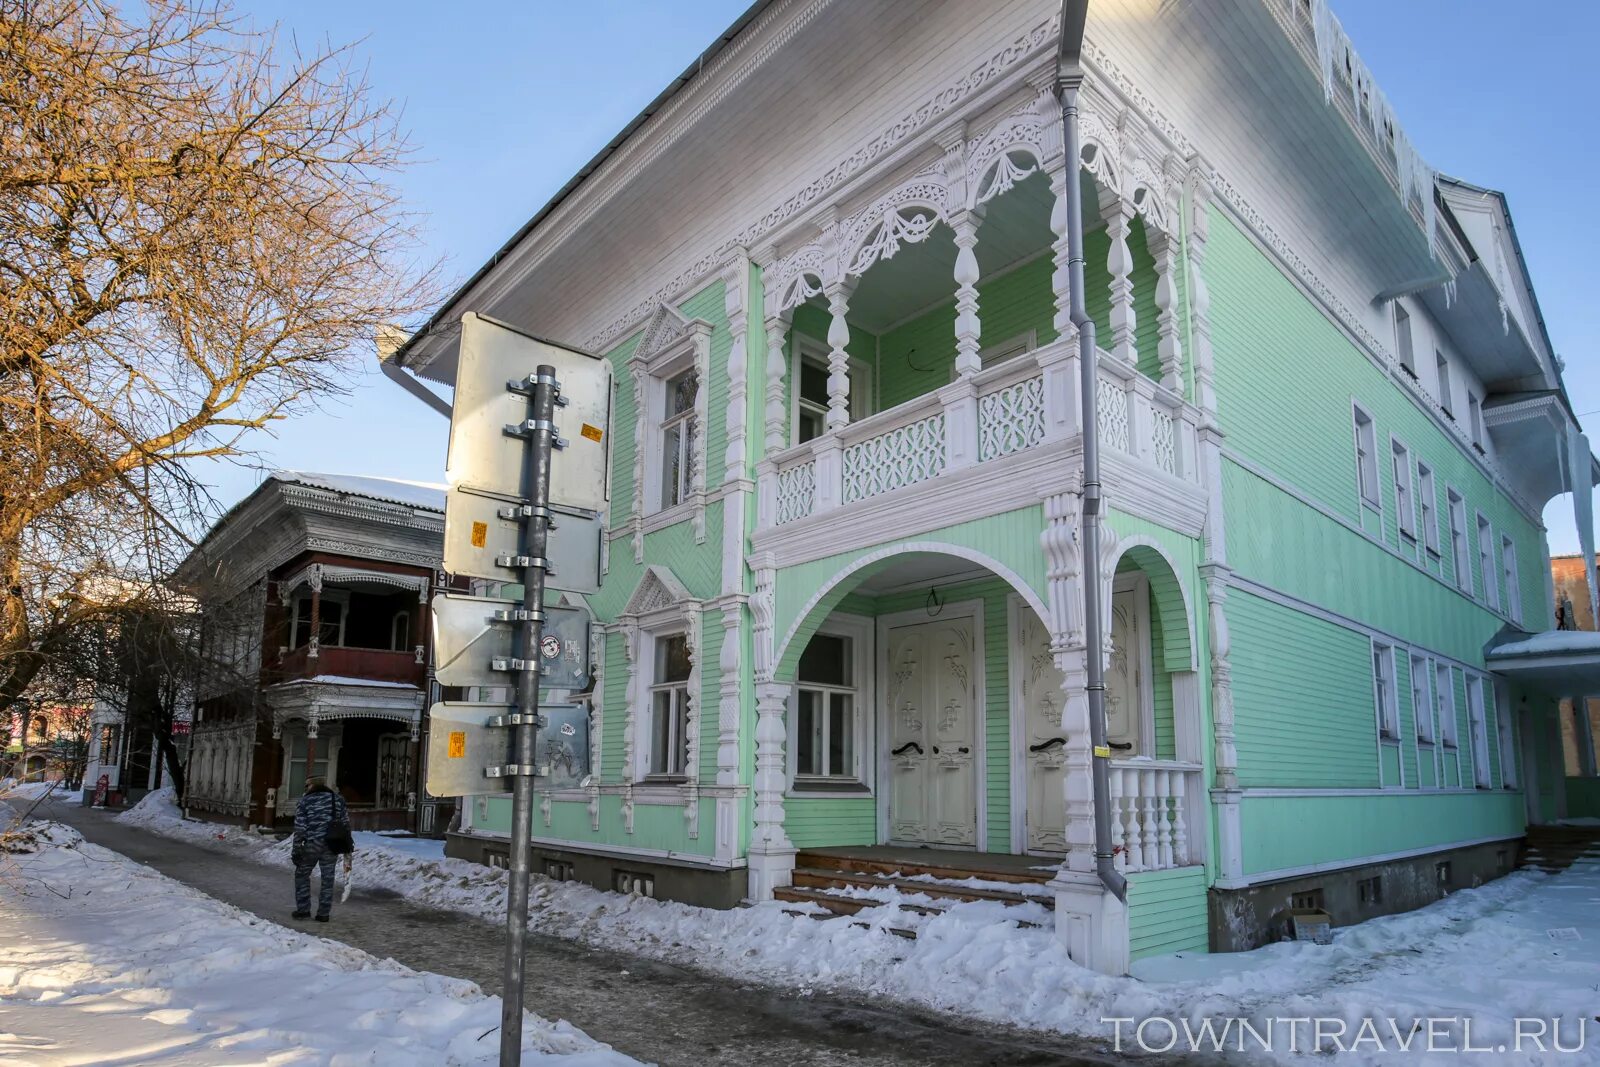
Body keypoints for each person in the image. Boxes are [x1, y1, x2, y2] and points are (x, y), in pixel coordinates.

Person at [291, 775, 353, 921]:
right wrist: (347, 844)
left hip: (312, 843)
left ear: (311, 786)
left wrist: (296, 850)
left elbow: (300, 829)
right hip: (332, 844)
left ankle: (303, 910)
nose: (305, 789)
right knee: (328, 878)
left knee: (302, 874)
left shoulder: (305, 801)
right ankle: (323, 914)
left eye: (306, 786)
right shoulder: (338, 800)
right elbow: (345, 823)